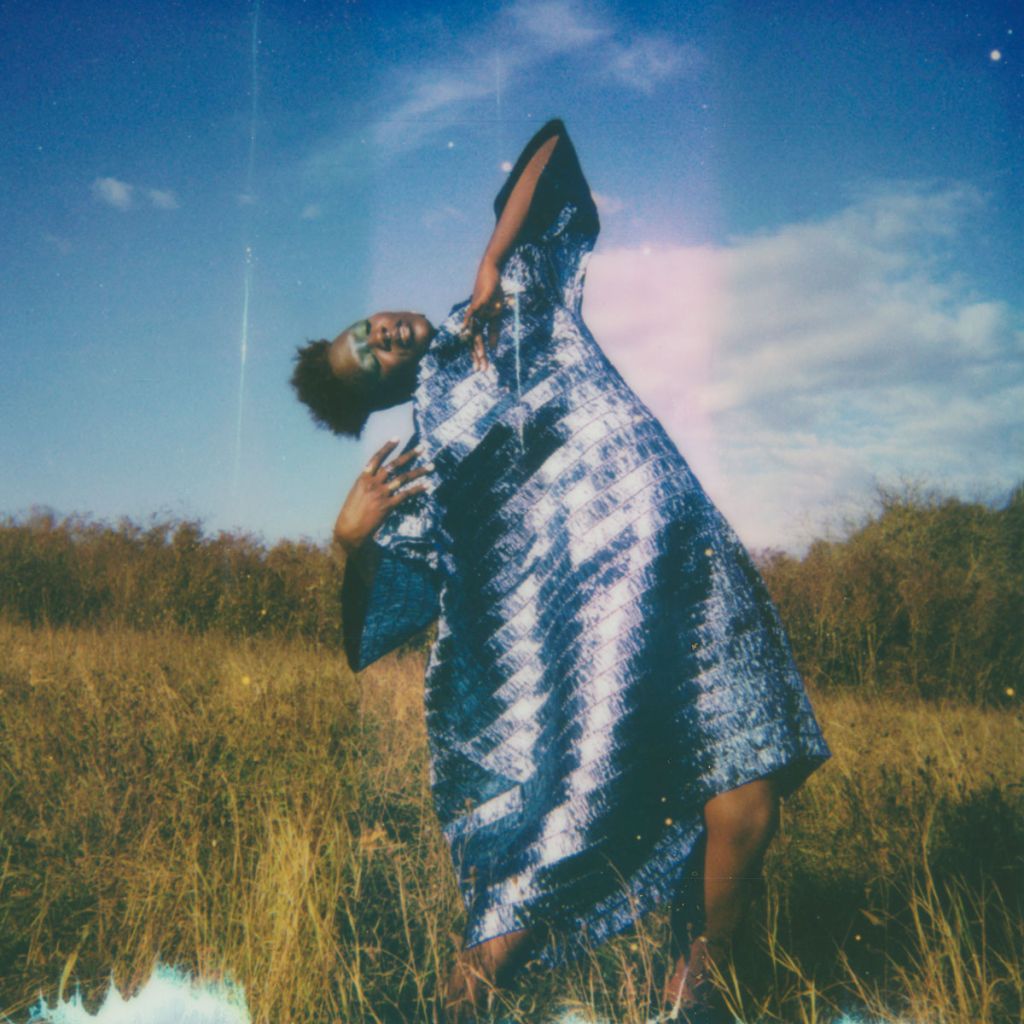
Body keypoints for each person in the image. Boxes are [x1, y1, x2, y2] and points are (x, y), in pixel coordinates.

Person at [291, 119, 830, 1023]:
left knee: (749, 810)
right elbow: (368, 637)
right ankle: (460, 1007)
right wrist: (351, 547)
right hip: (603, 644)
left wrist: (494, 257)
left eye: (366, 328)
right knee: (552, 862)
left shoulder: (510, 304)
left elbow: (553, 148)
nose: (382, 333)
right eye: (372, 355)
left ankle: (699, 986)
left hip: (694, 576)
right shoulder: (425, 464)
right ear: (384, 391)